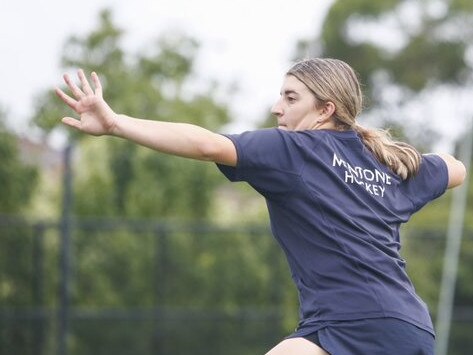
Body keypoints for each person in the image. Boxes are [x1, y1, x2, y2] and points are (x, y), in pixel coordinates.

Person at [56, 58, 466, 355]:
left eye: (290, 97)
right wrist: (398, 162)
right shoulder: (385, 166)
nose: (277, 107)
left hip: (350, 324)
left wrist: (116, 124)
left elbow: (206, 144)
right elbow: (455, 168)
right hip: (411, 330)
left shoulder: (295, 150)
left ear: (325, 110)